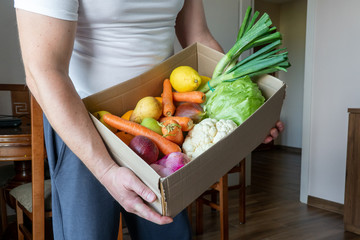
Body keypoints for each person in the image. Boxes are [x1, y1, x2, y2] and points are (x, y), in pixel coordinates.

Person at [13, 0, 284, 239]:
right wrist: (106, 170)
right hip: (83, 125)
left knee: (169, 234)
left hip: (162, 121)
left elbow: (198, 36)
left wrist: (248, 116)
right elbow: (43, 70)